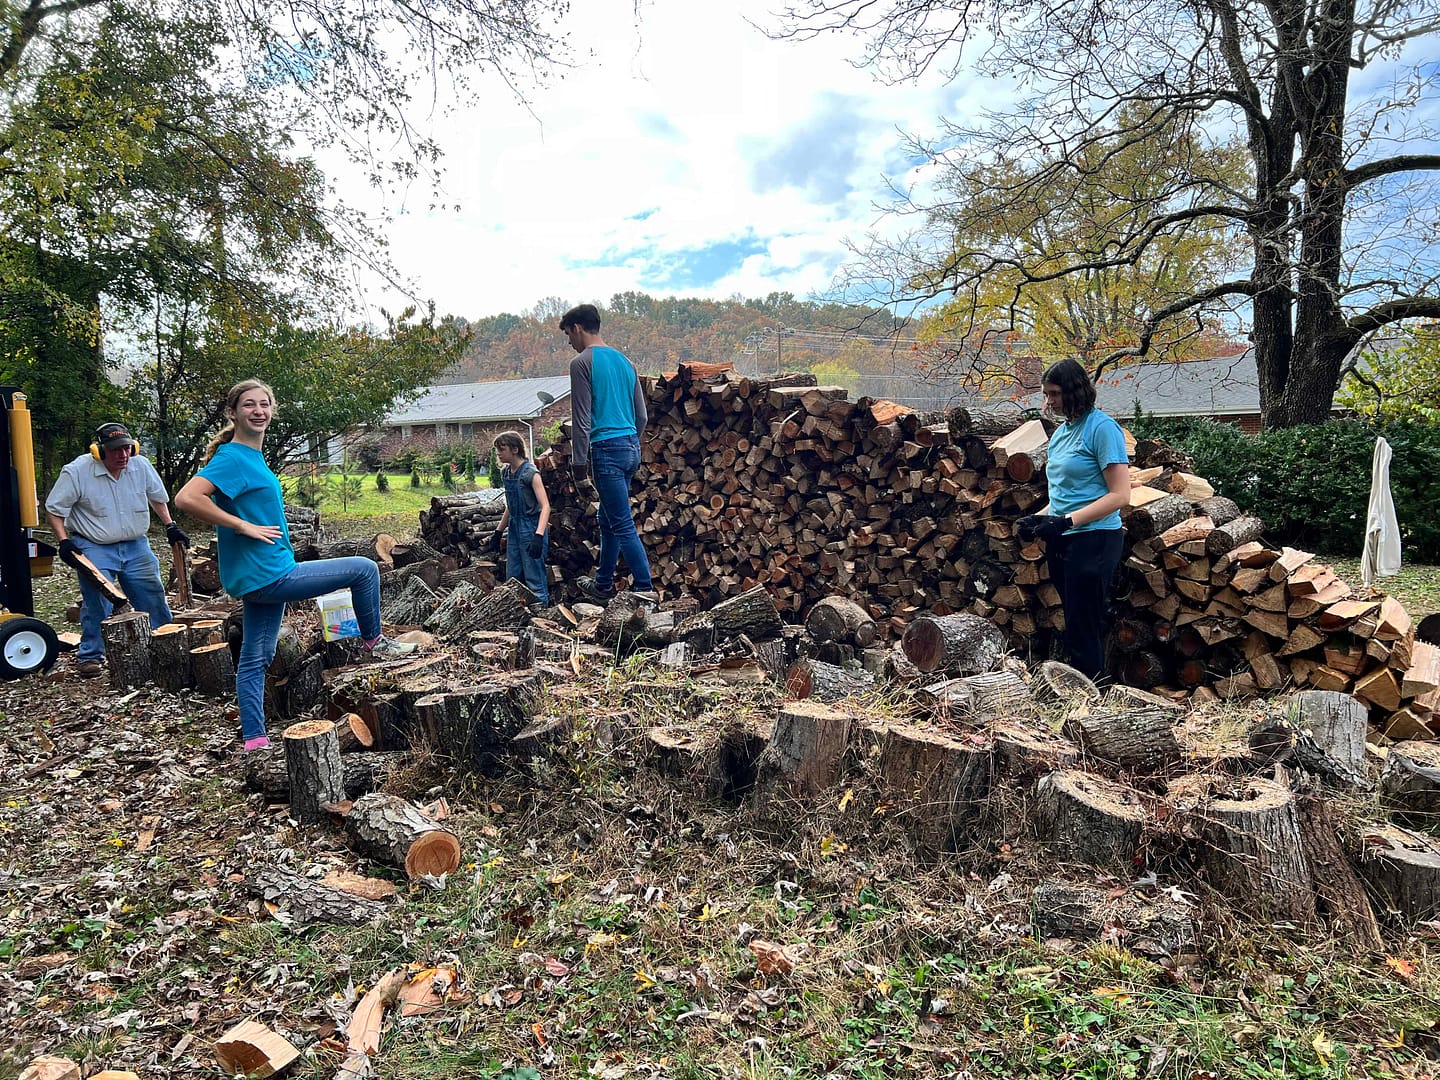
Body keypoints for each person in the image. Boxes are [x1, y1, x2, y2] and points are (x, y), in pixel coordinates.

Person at [175, 379, 415, 752]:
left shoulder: (251, 456)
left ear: (272, 410)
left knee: (256, 658)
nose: (258, 411)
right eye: (249, 405)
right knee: (365, 569)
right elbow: (187, 498)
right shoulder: (233, 458)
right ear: (232, 412)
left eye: (264, 404)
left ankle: (255, 739)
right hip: (270, 574)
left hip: (260, 574)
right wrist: (241, 525)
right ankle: (374, 642)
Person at [1016, 358, 1131, 682]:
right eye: (1046, 394)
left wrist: (1066, 522)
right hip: (1063, 536)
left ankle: (1091, 699)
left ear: (1074, 391)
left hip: (1095, 538)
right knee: (1075, 619)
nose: (1049, 401)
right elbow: (1064, 493)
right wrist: (1038, 520)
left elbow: (1120, 495)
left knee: (1084, 623)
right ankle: (1081, 691)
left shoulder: (1102, 428)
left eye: (1054, 394)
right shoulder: (1062, 433)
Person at [45, 422, 188, 678]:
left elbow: (157, 497)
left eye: (126, 449)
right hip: (94, 544)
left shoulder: (140, 466)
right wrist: (64, 542)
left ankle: (165, 644)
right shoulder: (77, 471)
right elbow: (55, 511)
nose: (123, 455)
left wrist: (170, 525)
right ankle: (91, 656)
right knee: (97, 602)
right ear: (99, 451)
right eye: (115, 450)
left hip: (136, 544)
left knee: (152, 594)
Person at [559, 303, 657, 604]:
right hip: (630, 447)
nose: (570, 343)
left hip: (606, 450)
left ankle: (644, 589)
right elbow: (642, 417)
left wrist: (578, 466)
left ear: (577, 328)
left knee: (622, 522)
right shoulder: (625, 362)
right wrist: (631, 443)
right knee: (608, 517)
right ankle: (603, 585)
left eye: (568, 335)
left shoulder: (582, 363)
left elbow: (582, 419)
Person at [490, 431, 552, 605]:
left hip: (531, 528)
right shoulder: (506, 473)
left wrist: (539, 536)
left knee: (534, 573)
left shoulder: (531, 474)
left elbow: (545, 506)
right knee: (513, 572)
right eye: (497, 451)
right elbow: (511, 505)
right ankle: (515, 610)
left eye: (502, 450)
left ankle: (541, 608)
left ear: (515, 449)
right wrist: (498, 531)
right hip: (515, 526)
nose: (498, 454)